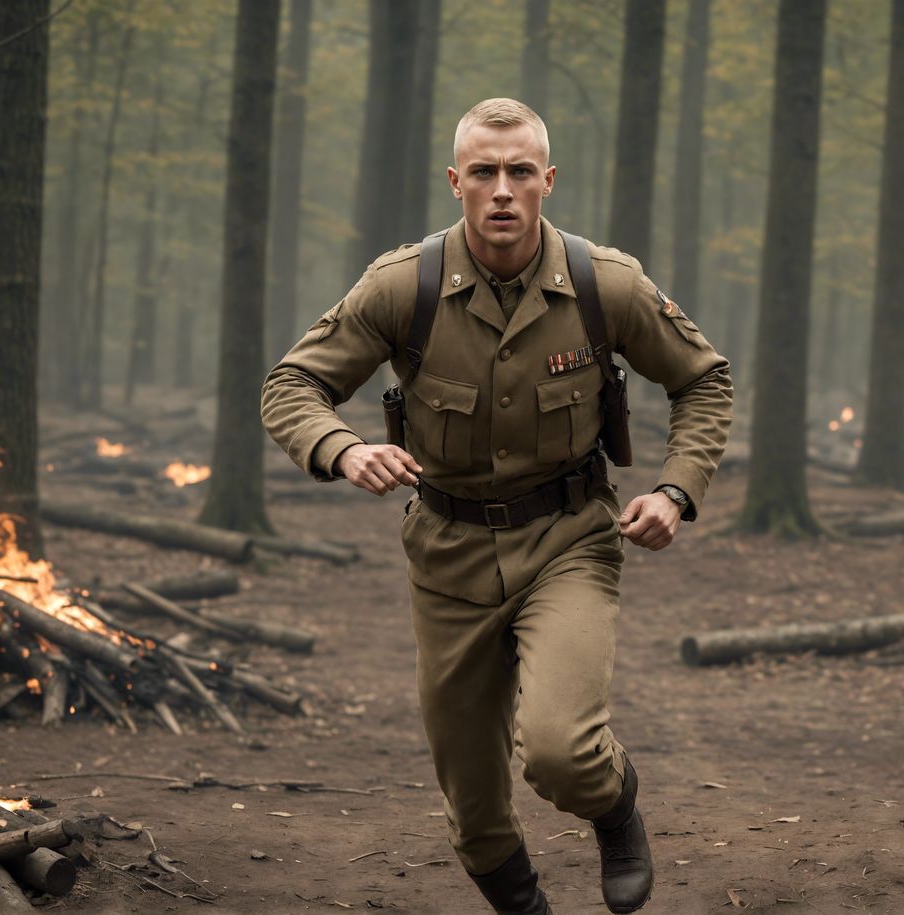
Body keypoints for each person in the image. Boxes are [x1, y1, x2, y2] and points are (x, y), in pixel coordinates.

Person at [261, 98, 733, 914]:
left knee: (562, 754)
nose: (503, 190)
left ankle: (616, 806)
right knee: (476, 816)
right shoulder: (402, 286)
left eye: (520, 171)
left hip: (569, 541)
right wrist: (342, 448)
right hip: (448, 556)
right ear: (456, 182)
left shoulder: (605, 284)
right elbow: (292, 383)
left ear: (549, 179)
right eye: (484, 172)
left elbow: (703, 379)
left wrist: (675, 489)